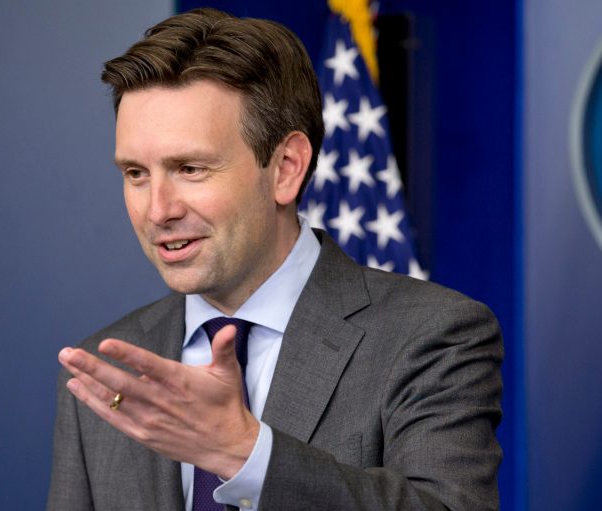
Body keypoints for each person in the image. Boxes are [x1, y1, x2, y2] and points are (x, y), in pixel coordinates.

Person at [47, 8, 502, 511]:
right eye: (136, 173)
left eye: (191, 168)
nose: (158, 210)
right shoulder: (104, 371)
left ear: (286, 168)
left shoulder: (432, 335)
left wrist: (246, 455)